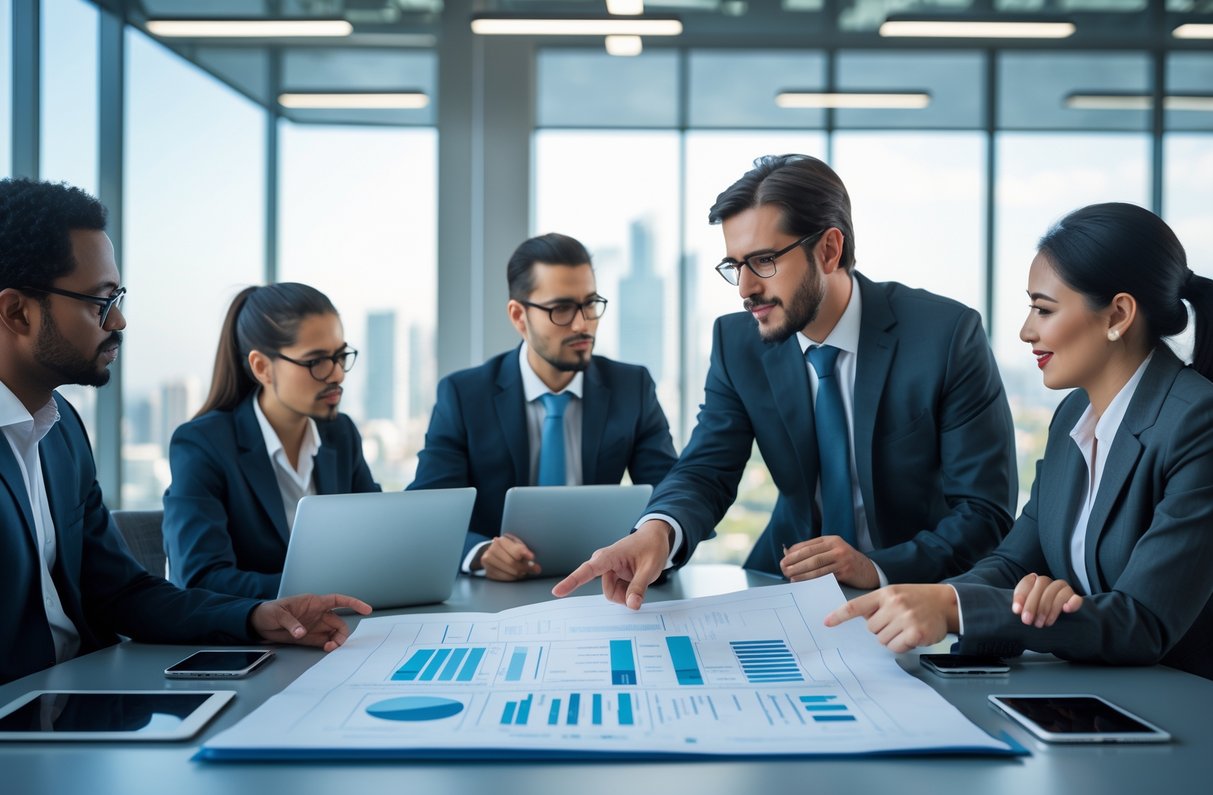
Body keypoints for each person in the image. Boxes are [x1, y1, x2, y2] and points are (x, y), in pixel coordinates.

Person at [555, 154, 1017, 609]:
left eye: (763, 261)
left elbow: (984, 512)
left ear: (830, 250)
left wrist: (875, 568)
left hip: (918, 594)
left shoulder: (944, 335)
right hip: (784, 585)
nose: (744, 288)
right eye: (735, 265)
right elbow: (706, 468)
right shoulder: (738, 342)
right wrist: (658, 530)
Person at [0, 178, 369, 685]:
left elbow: (121, 594)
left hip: (89, 691)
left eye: (119, 297)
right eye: (100, 302)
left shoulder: (60, 430)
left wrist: (256, 617)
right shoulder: (203, 441)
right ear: (17, 312)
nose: (121, 320)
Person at [825, 203, 1213, 680]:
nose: (1026, 331)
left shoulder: (1198, 422)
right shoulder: (1075, 414)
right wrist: (934, 600)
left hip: (1186, 704)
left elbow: (1143, 623)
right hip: (1098, 695)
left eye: (1044, 310)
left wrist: (956, 611)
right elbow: (1013, 563)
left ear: (1118, 313)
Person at [409, 233, 678, 581]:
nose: (583, 324)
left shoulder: (632, 387)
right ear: (519, 316)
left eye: (590, 304)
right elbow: (428, 514)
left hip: (604, 587)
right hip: (496, 595)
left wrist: (651, 540)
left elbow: (669, 493)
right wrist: (480, 553)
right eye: (562, 309)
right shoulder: (463, 395)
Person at [163, 283, 380, 599]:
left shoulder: (340, 434)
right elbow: (201, 579)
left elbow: (378, 542)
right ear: (262, 367)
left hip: (345, 629)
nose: (337, 375)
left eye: (340, 356)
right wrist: (323, 593)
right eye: (316, 361)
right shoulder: (202, 444)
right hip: (247, 642)